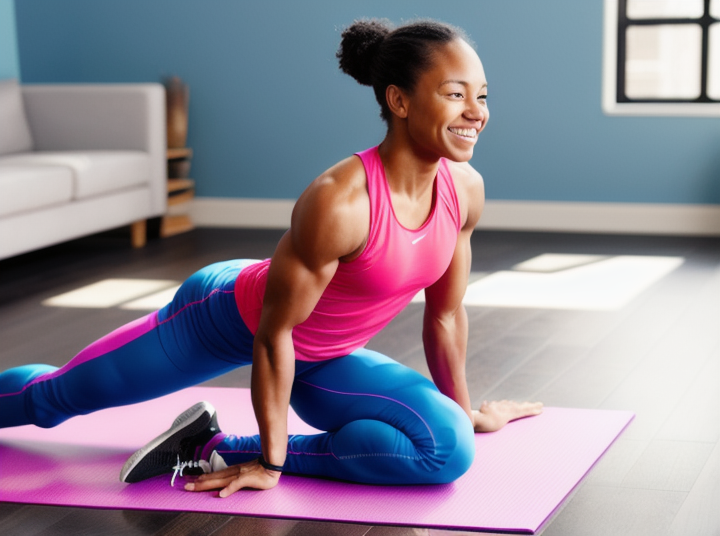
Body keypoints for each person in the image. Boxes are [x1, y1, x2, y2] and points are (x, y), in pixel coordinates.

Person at [0, 18, 542, 497]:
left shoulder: (464, 189)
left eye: (484, 96)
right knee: (52, 402)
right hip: (224, 320)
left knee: (446, 450)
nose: (477, 113)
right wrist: (272, 462)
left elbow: (444, 315)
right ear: (399, 101)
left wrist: (463, 412)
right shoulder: (341, 200)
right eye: (455, 95)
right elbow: (273, 333)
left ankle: (213, 443)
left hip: (325, 354)